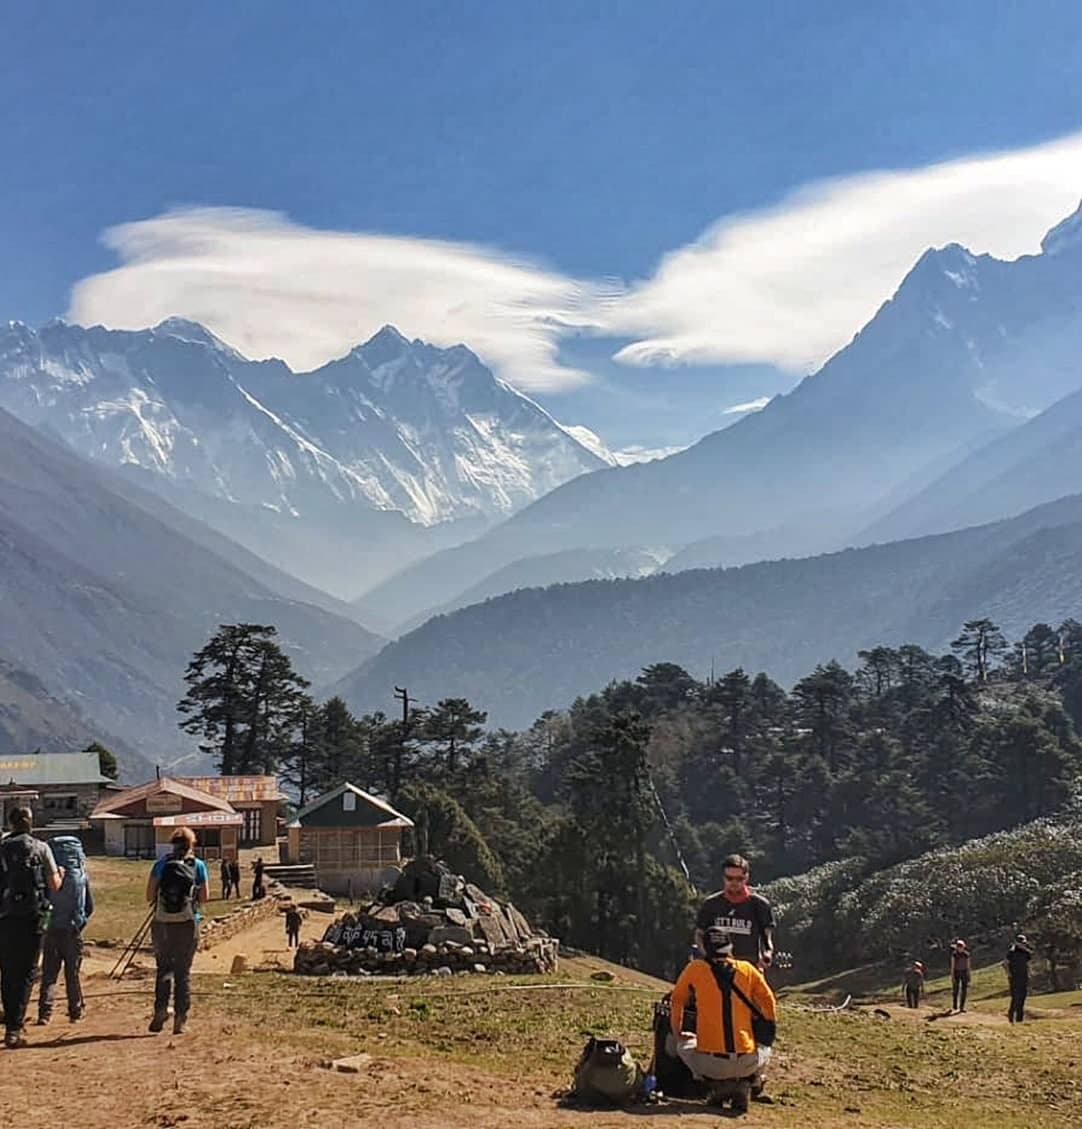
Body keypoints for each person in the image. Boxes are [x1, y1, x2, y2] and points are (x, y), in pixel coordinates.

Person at [670, 926, 777, 1113]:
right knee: (766, 1047)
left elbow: (677, 999)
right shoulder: (748, 969)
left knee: (682, 1046)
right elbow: (769, 1000)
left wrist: (679, 1032)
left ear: (705, 948)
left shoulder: (695, 968)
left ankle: (713, 1083)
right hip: (747, 1063)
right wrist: (768, 1028)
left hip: (710, 1064)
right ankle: (751, 1081)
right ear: (730, 946)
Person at [0, 807, 63, 1048]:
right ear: (30, 823)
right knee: (27, 972)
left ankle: (10, 1020)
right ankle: (15, 1028)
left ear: (10, 823)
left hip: (4, 917)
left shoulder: (2, 848)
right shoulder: (41, 847)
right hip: (34, 917)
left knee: (7, 970)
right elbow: (54, 884)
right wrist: (62, 874)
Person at [146, 827, 208, 1035]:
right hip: (188, 923)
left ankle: (160, 1010)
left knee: (164, 968)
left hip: (162, 922)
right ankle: (180, 1019)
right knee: (183, 972)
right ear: (192, 845)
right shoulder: (198, 865)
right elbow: (205, 897)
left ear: (172, 843)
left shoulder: (161, 864)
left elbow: (149, 895)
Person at [37, 836, 94, 1025]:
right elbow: (89, 907)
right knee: (73, 973)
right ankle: (75, 1010)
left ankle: (45, 1013)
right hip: (72, 929)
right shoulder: (81, 876)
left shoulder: (49, 875)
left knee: (49, 973)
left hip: (52, 928)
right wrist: (80, 923)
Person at [694, 854, 776, 968]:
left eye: (739, 879)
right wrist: (708, 956)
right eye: (730, 878)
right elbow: (699, 934)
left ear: (747, 877)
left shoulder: (760, 905)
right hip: (717, 969)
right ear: (723, 877)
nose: (734, 882)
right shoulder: (711, 904)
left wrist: (767, 955)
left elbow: (767, 939)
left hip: (749, 970)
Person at [1004, 933, 1032, 1024]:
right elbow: (1006, 963)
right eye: (1020, 942)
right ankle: (1011, 1014)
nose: (1022, 944)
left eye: (1023, 942)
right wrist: (1009, 974)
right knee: (1015, 997)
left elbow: (1028, 964)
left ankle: (1019, 1019)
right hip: (1014, 977)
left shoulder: (1026, 952)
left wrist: (1029, 973)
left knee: (1023, 997)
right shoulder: (1012, 952)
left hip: (1024, 976)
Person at [950, 939, 971, 1012]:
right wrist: (952, 976)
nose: (960, 948)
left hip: (964, 972)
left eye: (961, 946)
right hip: (956, 972)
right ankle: (955, 1005)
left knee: (964, 990)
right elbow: (952, 966)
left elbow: (968, 965)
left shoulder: (966, 954)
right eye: (958, 946)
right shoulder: (954, 955)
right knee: (956, 989)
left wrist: (969, 974)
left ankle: (962, 1006)